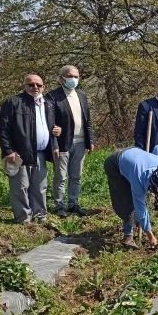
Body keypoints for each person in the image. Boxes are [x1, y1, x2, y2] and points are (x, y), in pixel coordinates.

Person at [0, 74, 60, 223]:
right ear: (24, 86)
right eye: (31, 85)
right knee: (21, 187)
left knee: (40, 186)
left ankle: (40, 216)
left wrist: (55, 142)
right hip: (20, 153)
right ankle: (23, 218)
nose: (35, 87)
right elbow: (2, 129)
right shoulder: (13, 102)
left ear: (44, 87)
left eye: (39, 85)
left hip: (41, 153)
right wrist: (8, 150)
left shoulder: (48, 104)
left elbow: (52, 127)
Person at [104, 145, 158, 248]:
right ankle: (128, 237)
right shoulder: (138, 180)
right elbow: (141, 208)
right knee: (127, 202)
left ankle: (137, 222)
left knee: (136, 203)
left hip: (132, 154)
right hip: (114, 165)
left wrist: (148, 157)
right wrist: (150, 235)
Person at [48, 65, 95, 217]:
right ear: (61, 78)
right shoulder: (53, 96)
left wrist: (90, 139)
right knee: (61, 176)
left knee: (76, 176)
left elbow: (87, 120)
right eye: (70, 76)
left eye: (76, 76)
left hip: (81, 142)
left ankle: (73, 203)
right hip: (63, 144)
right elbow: (50, 123)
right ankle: (59, 205)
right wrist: (54, 143)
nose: (73, 79)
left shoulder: (81, 95)